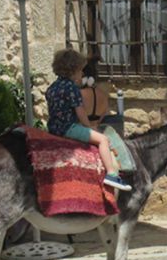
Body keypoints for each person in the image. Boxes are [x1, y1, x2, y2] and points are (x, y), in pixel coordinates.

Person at [46, 48, 131, 191]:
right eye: (80, 70)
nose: (82, 73)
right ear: (72, 70)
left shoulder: (52, 88)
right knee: (103, 140)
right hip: (69, 128)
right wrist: (88, 127)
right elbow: (80, 111)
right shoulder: (72, 88)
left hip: (54, 128)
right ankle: (111, 174)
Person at [80, 56, 109, 129]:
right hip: (96, 129)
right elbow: (104, 114)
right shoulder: (103, 95)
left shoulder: (78, 94)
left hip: (82, 131)